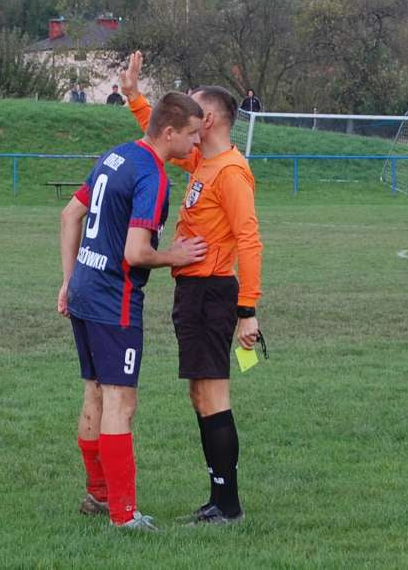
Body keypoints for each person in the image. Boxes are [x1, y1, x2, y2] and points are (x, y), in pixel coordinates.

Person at [120, 51, 263, 525]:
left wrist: (248, 310)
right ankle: (217, 498)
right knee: (200, 396)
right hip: (194, 293)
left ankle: (229, 505)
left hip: (214, 293)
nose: (187, 116)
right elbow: (165, 136)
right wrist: (135, 97)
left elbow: (250, 240)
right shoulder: (204, 161)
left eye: (194, 109)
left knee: (214, 395)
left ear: (213, 118)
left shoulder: (232, 172)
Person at [57, 91, 207, 530]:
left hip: (85, 287)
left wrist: (68, 281)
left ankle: (98, 495)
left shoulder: (117, 155)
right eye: (192, 136)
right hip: (113, 298)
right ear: (169, 132)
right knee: (121, 401)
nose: (195, 145)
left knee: (95, 393)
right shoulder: (152, 175)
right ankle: (124, 515)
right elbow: (137, 252)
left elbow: (70, 215)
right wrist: (175, 256)